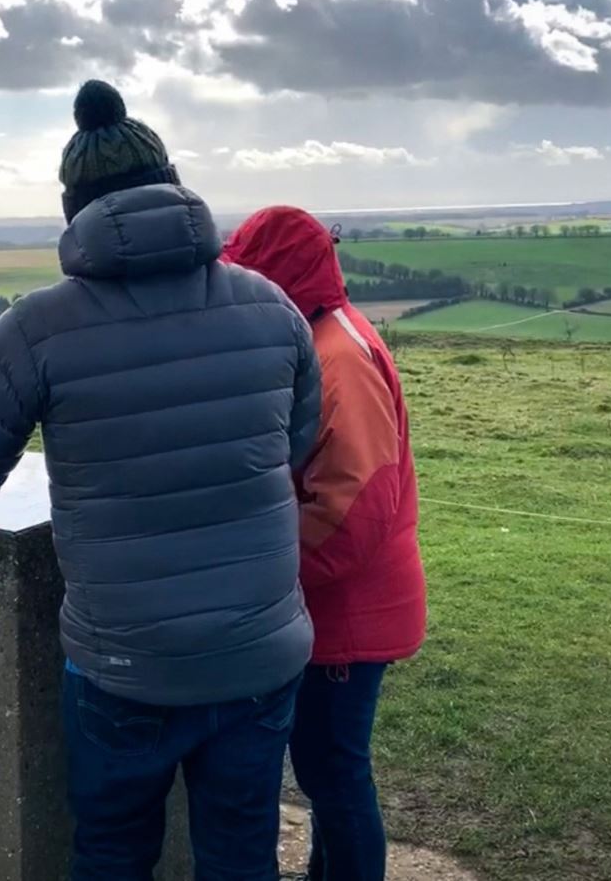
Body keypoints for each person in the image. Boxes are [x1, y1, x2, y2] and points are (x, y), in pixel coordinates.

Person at [0, 81, 322, 881]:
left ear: (73, 209)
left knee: (110, 852)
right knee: (243, 851)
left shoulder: (36, 326)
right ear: (174, 183)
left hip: (124, 665)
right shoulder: (273, 308)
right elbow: (299, 441)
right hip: (258, 652)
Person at [222, 207, 427, 881]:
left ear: (276, 276)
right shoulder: (318, 337)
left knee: (334, 770)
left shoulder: (339, 357)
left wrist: (269, 572)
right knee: (323, 767)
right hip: (336, 605)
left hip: (348, 610)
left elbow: (352, 513)